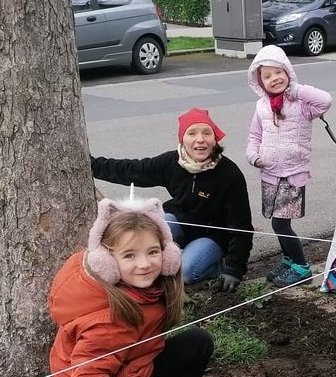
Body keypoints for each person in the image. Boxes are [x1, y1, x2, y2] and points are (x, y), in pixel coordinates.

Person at [48, 196, 220, 377]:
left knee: (197, 342)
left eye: (153, 252)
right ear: (107, 261)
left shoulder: (143, 289)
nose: (145, 264)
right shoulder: (106, 323)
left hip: (128, 373)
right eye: (129, 255)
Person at [91, 108, 253, 290]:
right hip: (179, 222)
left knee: (186, 272)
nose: (200, 139)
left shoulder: (230, 175)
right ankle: (175, 254)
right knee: (159, 224)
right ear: (182, 140)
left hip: (212, 236)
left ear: (214, 140)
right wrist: (92, 165)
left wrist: (234, 269)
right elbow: (133, 169)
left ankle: (214, 266)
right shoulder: (171, 162)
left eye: (206, 133)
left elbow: (242, 227)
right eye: (192, 133)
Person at [246, 45, 333, 287]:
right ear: (259, 81)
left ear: (288, 72)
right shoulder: (262, 106)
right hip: (269, 174)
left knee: (280, 223)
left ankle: (301, 267)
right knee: (275, 220)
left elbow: (326, 100)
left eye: (278, 72)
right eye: (267, 76)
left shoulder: (301, 104)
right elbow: (254, 137)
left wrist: (296, 89)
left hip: (292, 174)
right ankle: (288, 261)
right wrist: (253, 156)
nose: (274, 79)